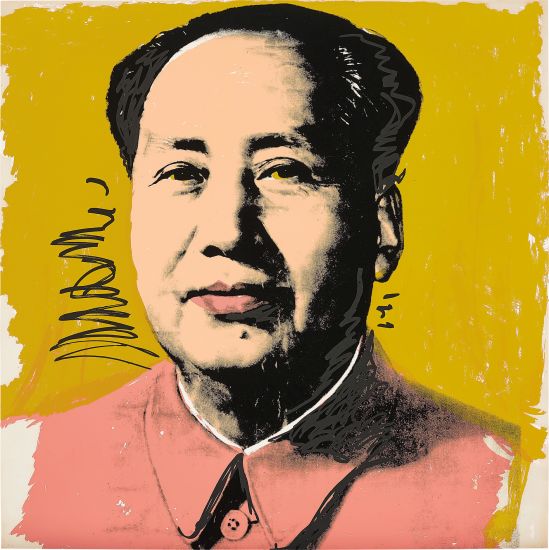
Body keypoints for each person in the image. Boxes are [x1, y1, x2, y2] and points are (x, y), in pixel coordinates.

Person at [4, 4, 516, 548]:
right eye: (182, 173)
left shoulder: (512, 491)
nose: (227, 233)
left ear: (382, 227)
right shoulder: (21, 478)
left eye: (284, 171)